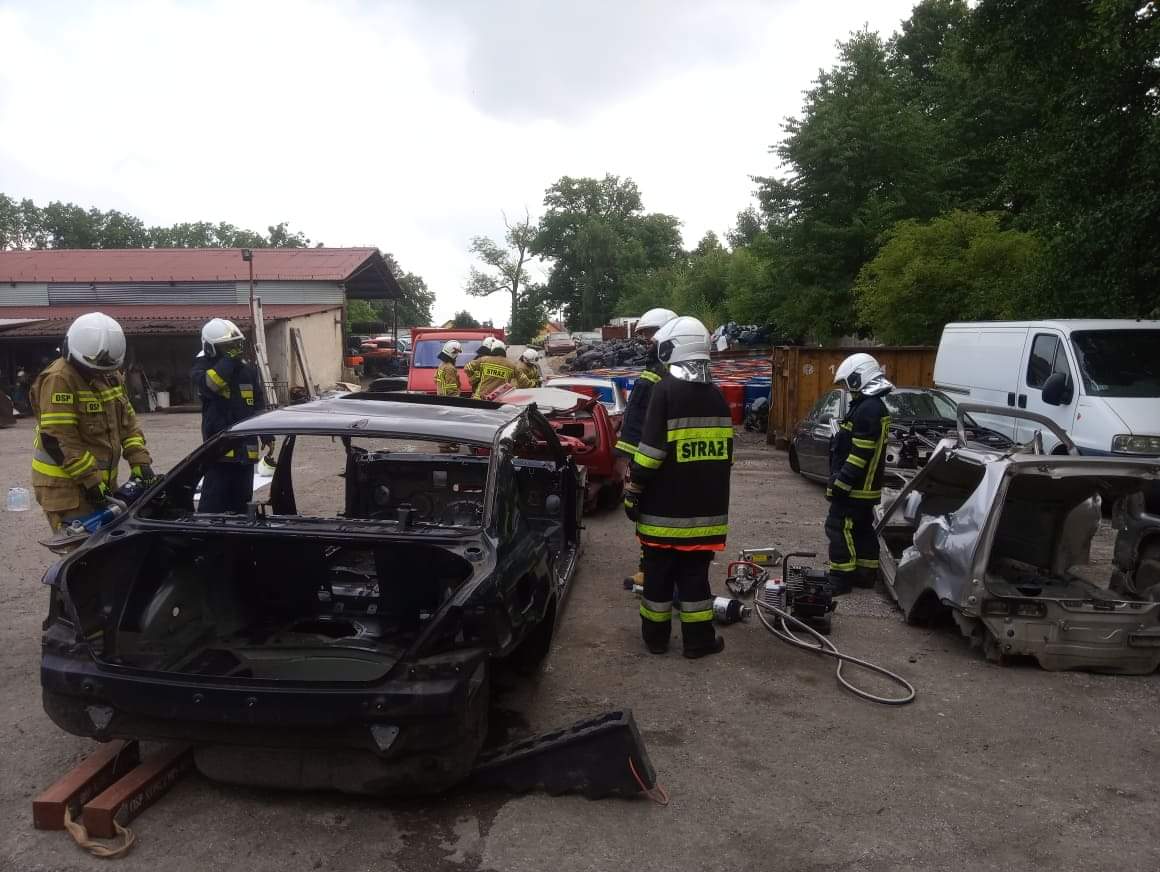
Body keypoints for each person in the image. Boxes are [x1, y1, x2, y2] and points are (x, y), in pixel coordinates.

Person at [624, 316, 732, 659]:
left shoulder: (665, 391)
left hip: (663, 515)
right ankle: (698, 642)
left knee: (657, 579)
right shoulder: (717, 396)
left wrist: (633, 488)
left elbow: (650, 453)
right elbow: (724, 458)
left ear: (675, 348)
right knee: (695, 581)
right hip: (705, 516)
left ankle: (656, 640)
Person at [29, 312, 155, 531]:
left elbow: (128, 424)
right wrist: (90, 480)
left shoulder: (110, 374)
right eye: (93, 367)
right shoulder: (59, 378)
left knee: (108, 543)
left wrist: (140, 461)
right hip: (66, 487)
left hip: (99, 485)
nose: (97, 372)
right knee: (82, 548)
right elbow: (59, 438)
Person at [614, 307, 677, 588]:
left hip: (653, 459)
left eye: (651, 334)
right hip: (668, 458)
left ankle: (652, 571)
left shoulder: (656, 375)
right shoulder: (675, 371)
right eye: (644, 336)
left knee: (651, 516)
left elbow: (638, 421)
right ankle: (651, 568)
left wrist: (629, 461)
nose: (646, 341)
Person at [825, 353, 893, 593]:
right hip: (866, 488)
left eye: (848, 383)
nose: (847, 388)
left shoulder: (868, 409)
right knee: (862, 528)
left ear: (859, 378)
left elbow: (860, 453)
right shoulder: (873, 406)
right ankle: (864, 574)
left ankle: (841, 578)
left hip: (856, 488)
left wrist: (841, 482)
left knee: (837, 526)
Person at [193, 318, 270, 514]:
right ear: (212, 348)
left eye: (235, 345)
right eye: (228, 346)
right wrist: (228, 360)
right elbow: (212, 385)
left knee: (242, 507)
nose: (234, 350)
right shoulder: (201, 368)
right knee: (212, 508)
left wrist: (266, 433)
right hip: (219, 453)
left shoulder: (247, 371)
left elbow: (258, 403)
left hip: (246, 452)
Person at [434, 339, 463, 453]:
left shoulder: (441, 365)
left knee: (443, 424)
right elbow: (451, 387)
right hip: (449, 400)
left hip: (441, 398)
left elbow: (435, 380)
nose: (457, 357)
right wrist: (457, 399)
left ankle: (444, 445)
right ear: (453, 353)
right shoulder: (450, 368)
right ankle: (447, 446)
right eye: (457, 354)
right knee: (450, 424)